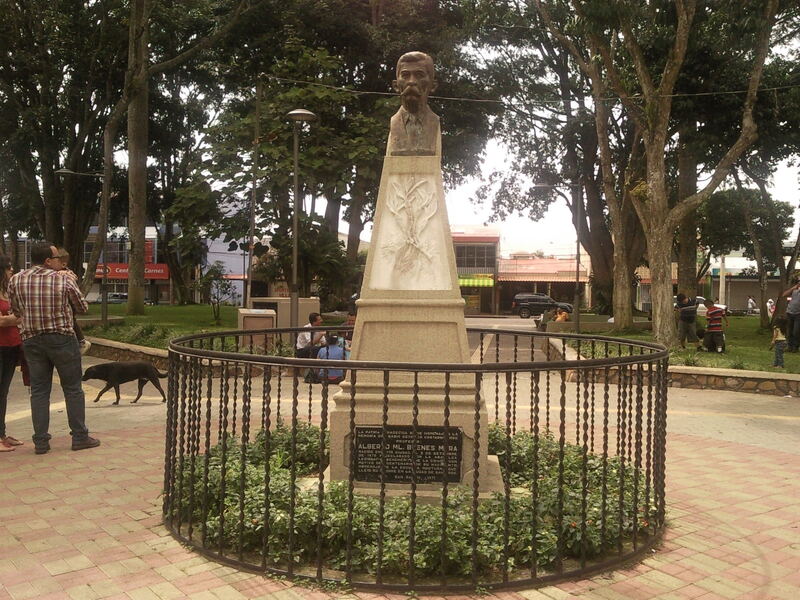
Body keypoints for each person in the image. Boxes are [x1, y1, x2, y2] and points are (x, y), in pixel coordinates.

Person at [8, 242, 99, 454]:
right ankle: (79, 437)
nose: (61, 262)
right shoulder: (62, 279)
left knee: (39, 391)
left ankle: (41, 442)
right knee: (73, 388)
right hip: (61, 338)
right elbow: (82, 307)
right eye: (58, 258)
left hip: (31, 340)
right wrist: (71, 281)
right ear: (48, 261)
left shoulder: (16, 279)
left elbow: (16, 310)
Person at [388, 52, 439, 157]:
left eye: (419, 75)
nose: (411, 82)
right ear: (396, 85)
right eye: (405, 75)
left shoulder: (435, 122)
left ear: (433, 86)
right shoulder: (394, 122)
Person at [0, 256, 24, 451]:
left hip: (11, 347)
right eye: (9, 269)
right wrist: (16, 318)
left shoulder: (7, 292)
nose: (11, 271)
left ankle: (2, 434)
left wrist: (12, 318)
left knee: (3, 392)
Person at [56, 249, 91, 355]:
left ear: (63, 264)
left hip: (69, 302)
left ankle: (81, 341)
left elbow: (72, 278)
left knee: (72, 320)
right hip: (64, 302)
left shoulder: (65, 273)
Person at [781, 279, 800, 352]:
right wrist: (793, 288)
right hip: (789, 312)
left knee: (796, 331)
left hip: (798, 314)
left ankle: (795, 347)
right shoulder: (794, 291)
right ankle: (789, 346)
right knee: (789, 331)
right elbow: (784, 294)